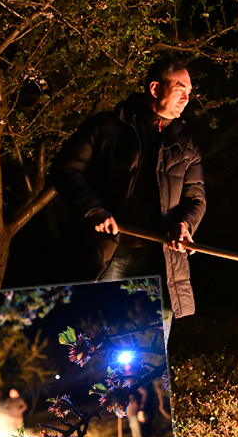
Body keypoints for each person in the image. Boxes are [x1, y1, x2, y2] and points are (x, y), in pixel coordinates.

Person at [52, 60, 206, 341]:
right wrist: (93, 209)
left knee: (149, 349)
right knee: (94, 338)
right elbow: (66, 169)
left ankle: (137, 386)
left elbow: (196, 198)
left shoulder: (185, 143)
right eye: (180, 89)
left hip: (163, 259)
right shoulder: (107, 127)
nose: (187, 98)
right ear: (156, 88)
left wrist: (185, 225)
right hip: (110, 252)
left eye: (190, 91)